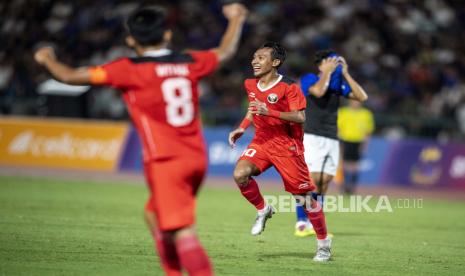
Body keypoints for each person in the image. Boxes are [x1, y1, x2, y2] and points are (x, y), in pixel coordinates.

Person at [34, 4, 248, 275]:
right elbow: (225, 51)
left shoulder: (127, 69)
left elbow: (69, 76)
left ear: (131, 40)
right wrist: (236, 18)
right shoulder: (189, 61)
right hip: (195, 157)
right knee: (152, 215)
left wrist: (47, 59)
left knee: (182, 231)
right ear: (167, 35)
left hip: (166, 161)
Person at [228, 42, 331, 262]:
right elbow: (252, 107)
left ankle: (323, 245)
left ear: (275, 62)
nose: (255, 61)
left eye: (261, 58)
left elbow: (300, 117)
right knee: (240, 174)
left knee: (305, 200)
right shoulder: (250, 84)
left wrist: (270, 111)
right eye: (254, 57)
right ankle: (263, 209)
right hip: (262, 142)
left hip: (288, 146)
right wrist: (242, 127)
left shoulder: (289, 87)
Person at [294, 50, 368, 237]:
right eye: (331, 62)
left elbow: (362, 97)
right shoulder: (309, 79)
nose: (335, 65)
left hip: (331, 138)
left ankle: (315, 223)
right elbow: (318, 92)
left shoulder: (338, 84)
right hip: (311, 136)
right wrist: (326, 72)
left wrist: (345, 73)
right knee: (310, 181)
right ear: (321, 65)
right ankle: (301, 223)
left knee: (324, 182)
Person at [338, 99, 375, 194]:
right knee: (344, 163)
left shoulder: (366, 114)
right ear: (350, 102)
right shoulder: (343, 112)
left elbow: (368, 131)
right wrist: (339, 143)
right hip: (346, 140)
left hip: (358, 141)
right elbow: (338, 129)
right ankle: (344, 185)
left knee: (355, 165)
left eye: (357, 101)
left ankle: (352, 186)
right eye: (354, 101)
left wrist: (366, 144)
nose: (355, 103)